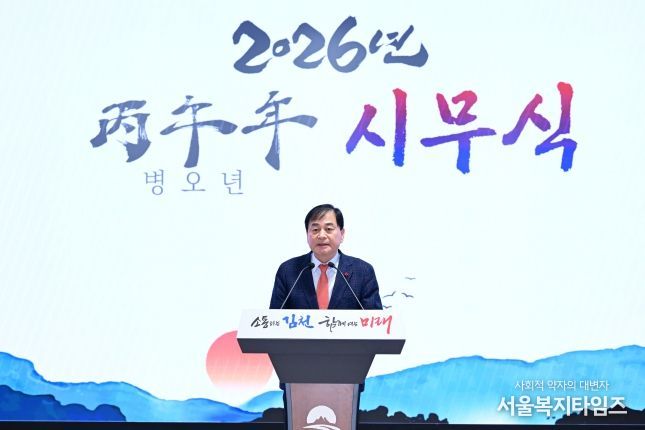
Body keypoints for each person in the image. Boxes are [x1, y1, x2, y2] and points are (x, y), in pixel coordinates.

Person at [269, 204, 383, 310]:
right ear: (307, 234)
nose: (321, 235)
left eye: (329, 229)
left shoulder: (363, 271)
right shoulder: (288, 271)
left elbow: (375, 320)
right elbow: (274, 320)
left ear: (342, 234)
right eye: (315, 230)